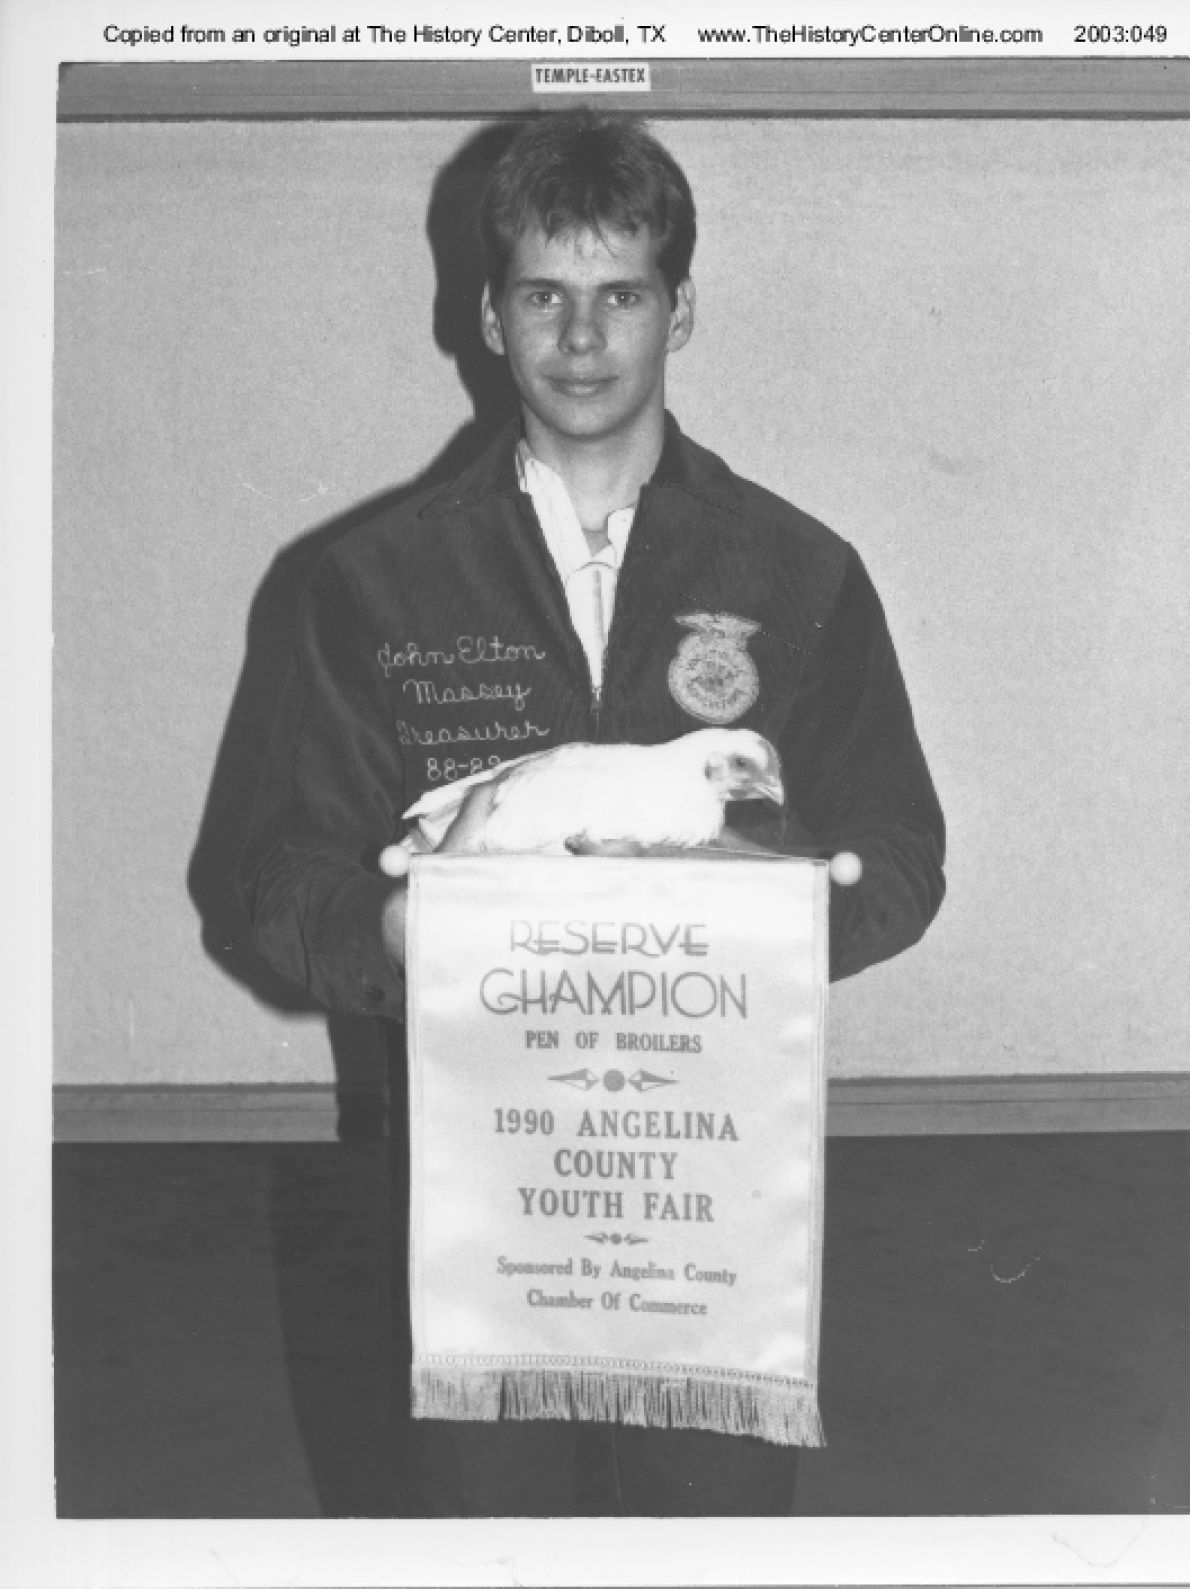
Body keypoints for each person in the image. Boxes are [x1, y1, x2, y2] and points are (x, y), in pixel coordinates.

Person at [239, 111, 945, 1517]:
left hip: (710, 1188)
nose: (579, 335)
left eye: (619, 292)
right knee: (477, 1528)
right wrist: (389, 926)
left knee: (708, 1533)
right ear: (486, 317)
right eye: (541, 295)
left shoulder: (799, 573)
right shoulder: (367, 586)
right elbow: (274, 882)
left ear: (679, 309)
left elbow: (902, 860)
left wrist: (760, 904)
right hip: (468, 1199)